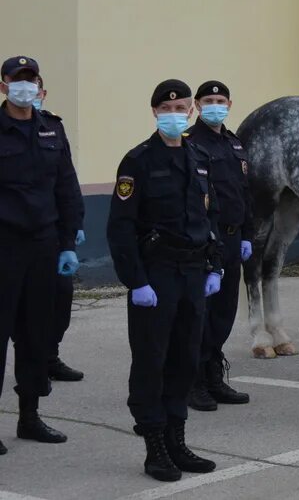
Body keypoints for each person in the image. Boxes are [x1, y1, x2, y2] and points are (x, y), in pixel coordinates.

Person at [107, 79, 225, 482]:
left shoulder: (199, 156)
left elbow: (208, 218)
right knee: (151, 361)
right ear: (155, 112)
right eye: (167, 109)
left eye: (182, 109)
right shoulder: (138, 160)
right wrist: (135, 281)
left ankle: (177, 439)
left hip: (193, 274)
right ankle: (154, 445)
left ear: (191, 112)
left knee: (184, 359)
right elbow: (120, 228)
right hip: (156, 277)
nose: (175, 115)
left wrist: (215, 266)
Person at [0, 56, 83, 456]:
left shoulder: (52, 127)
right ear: (4, 86)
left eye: (31, 80)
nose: (25, 87)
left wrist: (68, 240)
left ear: (39, 85)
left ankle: (29, 416)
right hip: (3, 246)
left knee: (36, 336)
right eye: (18, 81)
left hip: (44, 246)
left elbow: (66, 185)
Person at [184, 81, 253, 411]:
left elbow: (244, 194)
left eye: (220, 100)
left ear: (229, 103)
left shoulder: (234, 144)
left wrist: (248, 235)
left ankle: (213, 376)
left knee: (224, 312)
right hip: (206, 240)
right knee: (202, 313)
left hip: (233, 236)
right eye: (208, 100)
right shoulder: (191, 144)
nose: (215, 105)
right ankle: (193, 380)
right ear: (196, 105)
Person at [32, 75, 87, 383]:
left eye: (35, 88)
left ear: (44, 93)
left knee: (60, 296)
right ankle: (33, 360)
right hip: (14, 236)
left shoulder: (53, 127)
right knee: (22, 306)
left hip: (53, 232)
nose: (29, 93)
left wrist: (74, 223)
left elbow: (67, 180)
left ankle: (49, 355)